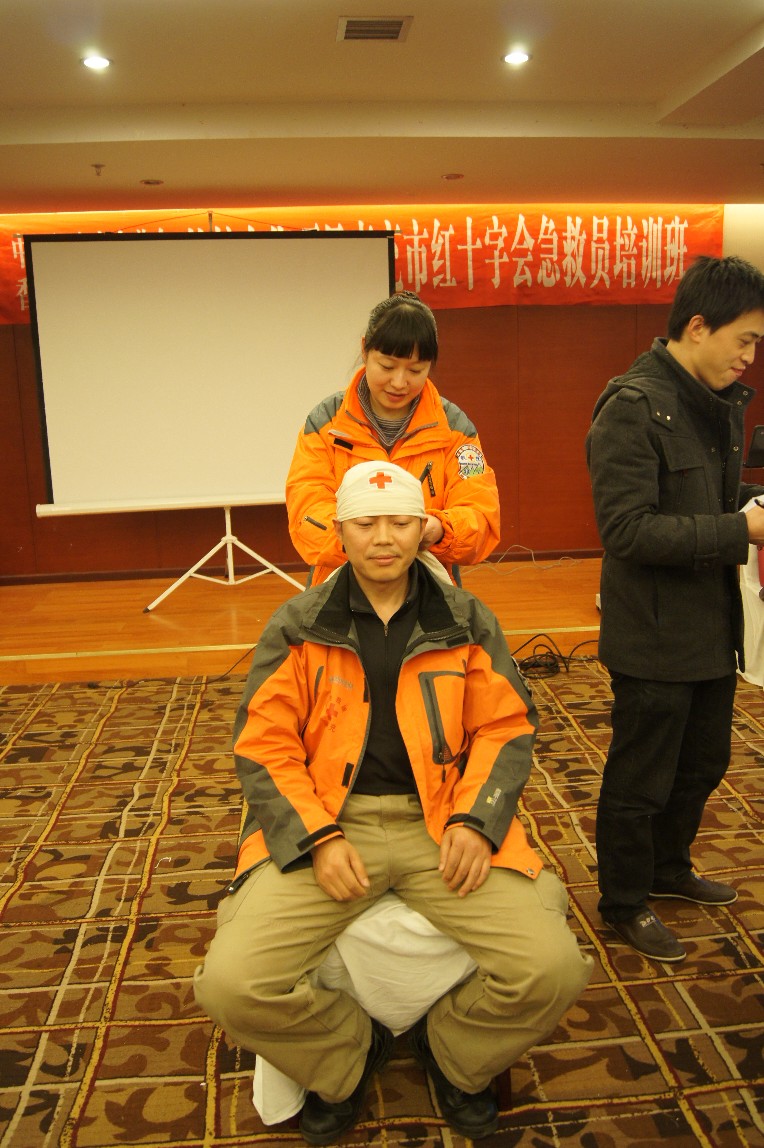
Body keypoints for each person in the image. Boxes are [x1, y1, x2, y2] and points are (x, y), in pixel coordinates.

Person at [194, 460, 593, 1144]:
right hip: (331, 820)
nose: (384, 538)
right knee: (230, 984)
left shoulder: (466, 619)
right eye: (366, 524)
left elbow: (506, 728)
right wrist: (316, 838)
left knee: (552, 970)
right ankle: (348, 1055)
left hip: (441, 820)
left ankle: (453, 1053)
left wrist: (477, 822)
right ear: (340, 532)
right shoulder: (297, 624)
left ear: (423, 530)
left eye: (401, 522)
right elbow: (264, 744)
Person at [586, 254, 764, 963]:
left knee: (703, 761)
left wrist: (742, 510)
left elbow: (699, 503)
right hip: (653, 634)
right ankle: (625, 899)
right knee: (642, 776)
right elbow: (627, 530)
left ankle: (668, 866)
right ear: (697, 326)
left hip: (709, 627)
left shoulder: (712, 403)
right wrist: (740, 529)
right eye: (744, 340)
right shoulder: (632, 406)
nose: (750, 357)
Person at [285, 290, 500, 585]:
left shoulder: (455, 430)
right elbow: (306, 513)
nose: (399, 382)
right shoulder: (326, 424)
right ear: (365, 350)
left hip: (427, 589)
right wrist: (359, 540)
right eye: (387, 366)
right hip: (341, 587)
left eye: (415, 370)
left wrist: (439, 529)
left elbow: (481, 517)